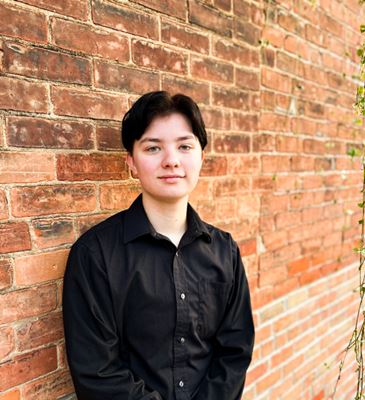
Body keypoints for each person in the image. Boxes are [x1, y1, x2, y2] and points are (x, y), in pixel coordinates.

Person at [62, 91, 255, 400]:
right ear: (131, 162)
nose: (171, 161)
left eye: (184, 146)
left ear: (201, 157)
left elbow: (235, 352)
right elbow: (98, 372)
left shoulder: (225, 251)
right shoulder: (95, 255)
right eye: (153, 148)